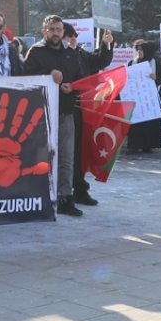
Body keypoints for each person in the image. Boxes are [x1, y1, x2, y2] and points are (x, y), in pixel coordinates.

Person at [23, 15, 88, 216]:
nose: (55, 33)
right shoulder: (35, 52)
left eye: (59, 29)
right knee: (41, 156)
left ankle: (65, 196)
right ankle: (41, 195)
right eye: (51, 29)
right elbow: (26, 77)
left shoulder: (71, 52)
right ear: (44, 31)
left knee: (67, 156)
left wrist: (72, 88)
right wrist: (49, 74)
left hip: (66, 110)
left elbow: (81, 79)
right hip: (41, 112)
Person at [66, 22, 114, 206]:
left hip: (82, 109)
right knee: (67, 152)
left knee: (80, 151)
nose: (73, 40)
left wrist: (106, 44)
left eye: (74, 36)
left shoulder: (79, 53)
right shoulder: (59, 55)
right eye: (69, 36)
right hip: (64, 109)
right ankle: (64, 190)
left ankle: (79, 188)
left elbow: (99, 61)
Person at [126, 40, 161, 154]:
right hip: (136, 98)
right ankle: (134, 145)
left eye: (141, 50)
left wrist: (156, 78)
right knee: (135, 122)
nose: (139, 52)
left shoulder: (155, 63)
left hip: (149, 99)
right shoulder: (132, 63)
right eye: (138, 50)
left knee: (149, 122)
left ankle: (147, 145)